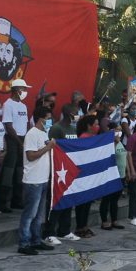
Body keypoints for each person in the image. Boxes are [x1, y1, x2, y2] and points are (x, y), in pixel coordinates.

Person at [19, 106, 57, 255]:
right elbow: (31, 156)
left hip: (43, 178)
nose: (50, 121)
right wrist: (48, 148)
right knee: (29, 214)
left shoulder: (45, 133)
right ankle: (24, 243)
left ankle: (36, 240)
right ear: (41, 119)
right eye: (48, 119)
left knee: (39, 214)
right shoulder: (32, 134)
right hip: (33, 179)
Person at [46, 103, 80, 241]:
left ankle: (64, 230)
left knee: (68, 200)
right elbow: (52, 147)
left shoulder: (73, 128)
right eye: (75, 112)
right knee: (55, 201)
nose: (78, 114)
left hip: (70, 168)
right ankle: (49, 233)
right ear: (68, 113)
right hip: (58, 169)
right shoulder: (56, 128)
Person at [0, 78, 31, 211]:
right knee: (8, 171)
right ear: (17, 90)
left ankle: (16, 200)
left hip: (22, 140)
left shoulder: (23, 106)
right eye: (24, 89)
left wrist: (25, 140)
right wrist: (19, 142)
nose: (26, 91)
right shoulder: (8, 104)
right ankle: (2, 202)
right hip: (12, 140)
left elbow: (25, 124)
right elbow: (8, 126)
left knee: (19, 171)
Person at [72, 114, 102, 238]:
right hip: (83, 174)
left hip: (91, 175)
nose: (97, 126)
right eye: (95, 124)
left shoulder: (94, 137)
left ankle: (85, 226)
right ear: (89, 126)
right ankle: (80, 227)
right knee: (82, 203)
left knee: (88, 202)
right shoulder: (83, 138)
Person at [100, 122, 127, 231]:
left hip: (120, 175)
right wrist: (115, 143)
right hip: (110, 176)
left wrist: (128, 171)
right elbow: (109, 156)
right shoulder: (107, 143)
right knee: (106, 199)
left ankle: (114, 220)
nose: (119, 132)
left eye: (120, 130)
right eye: (117, 130)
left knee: (115, 200)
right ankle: (104, 221)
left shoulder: (120, 141)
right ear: (111, 131)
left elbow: (125, 156)